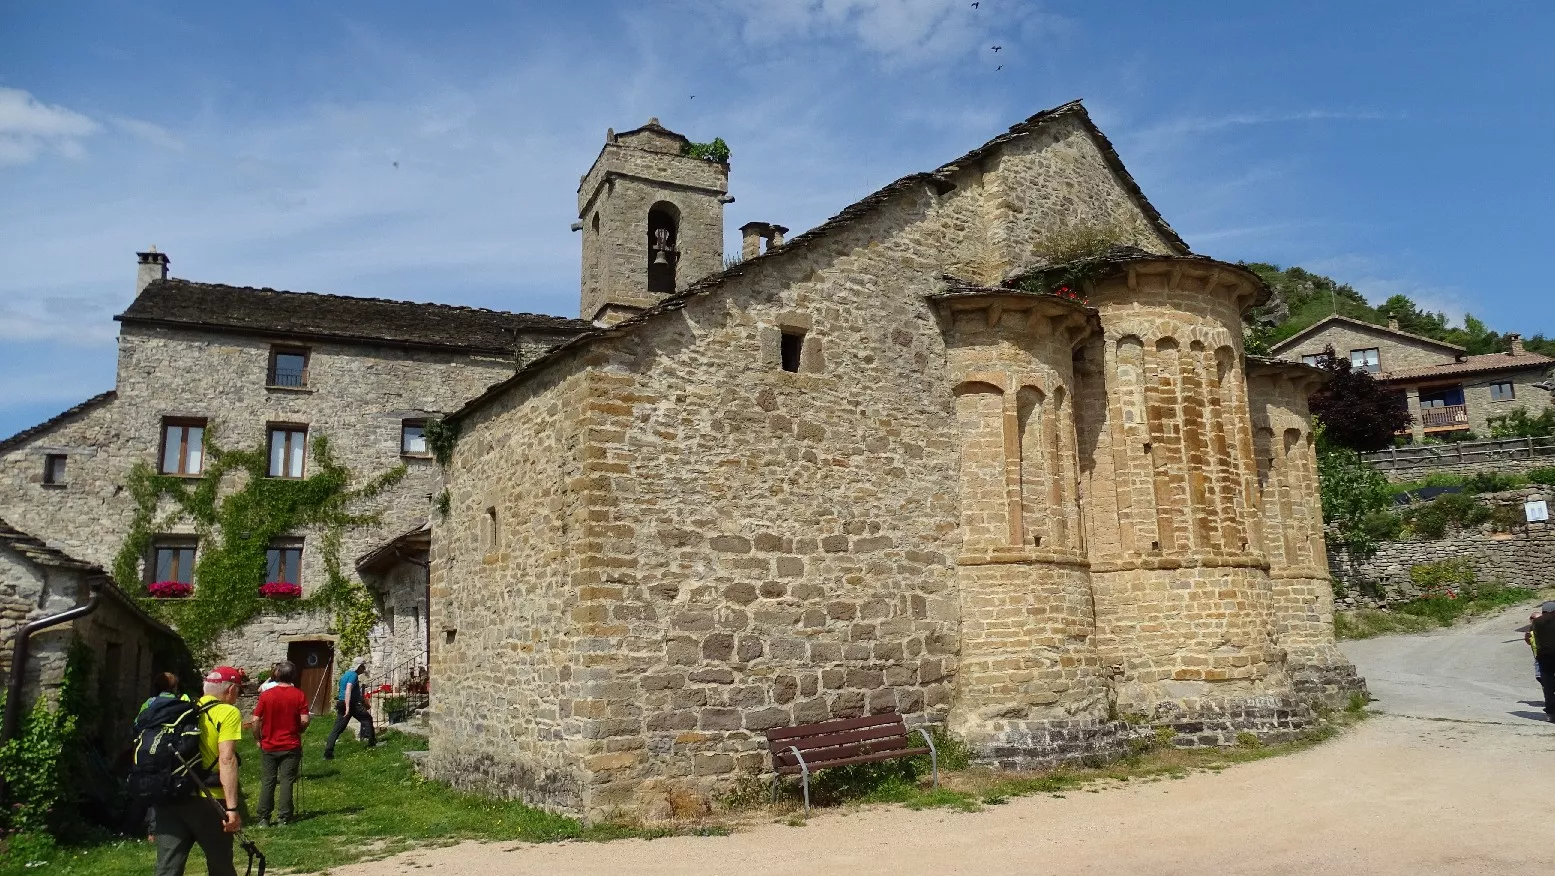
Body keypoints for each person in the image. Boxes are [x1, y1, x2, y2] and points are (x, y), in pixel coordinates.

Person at [153, 666, 244, 876]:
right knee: (219, 862)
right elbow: (227, 758)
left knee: (168, 867)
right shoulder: (228, 712)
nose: (238, 696)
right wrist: (232, 808)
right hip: (209, 799)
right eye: (238, 690)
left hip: (172, 796)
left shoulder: (182, 708)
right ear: (230, 690)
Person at [247, 661, 310, 826]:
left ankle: (263, 817)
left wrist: (257, 738)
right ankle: (284, 816)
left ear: (276, 675)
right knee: (287, 780)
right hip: (290, 743)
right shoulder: (298, 695)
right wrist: (299, 730)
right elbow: (304, 720)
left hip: (269, 743)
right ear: (293, 676)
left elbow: (254, 720)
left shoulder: (266, 695)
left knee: (268, 780)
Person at [323, 660, 376, 759]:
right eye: (363, 667)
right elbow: (348, 689)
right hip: (350, 704)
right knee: (367, 719)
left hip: (342, 703)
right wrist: (348, 707)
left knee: (337, 728)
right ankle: (371, 742)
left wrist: (363, 701)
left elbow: (352, 692)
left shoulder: (345, 674)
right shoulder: (353, 675)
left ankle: (328, 753)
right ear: (358, 666)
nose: (364, 669)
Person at [1532, 602, 1555, 722]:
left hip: (1544, 657)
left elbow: (1531, 637)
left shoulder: (1536, 622)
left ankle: (1551, 713)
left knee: (1548, 686)